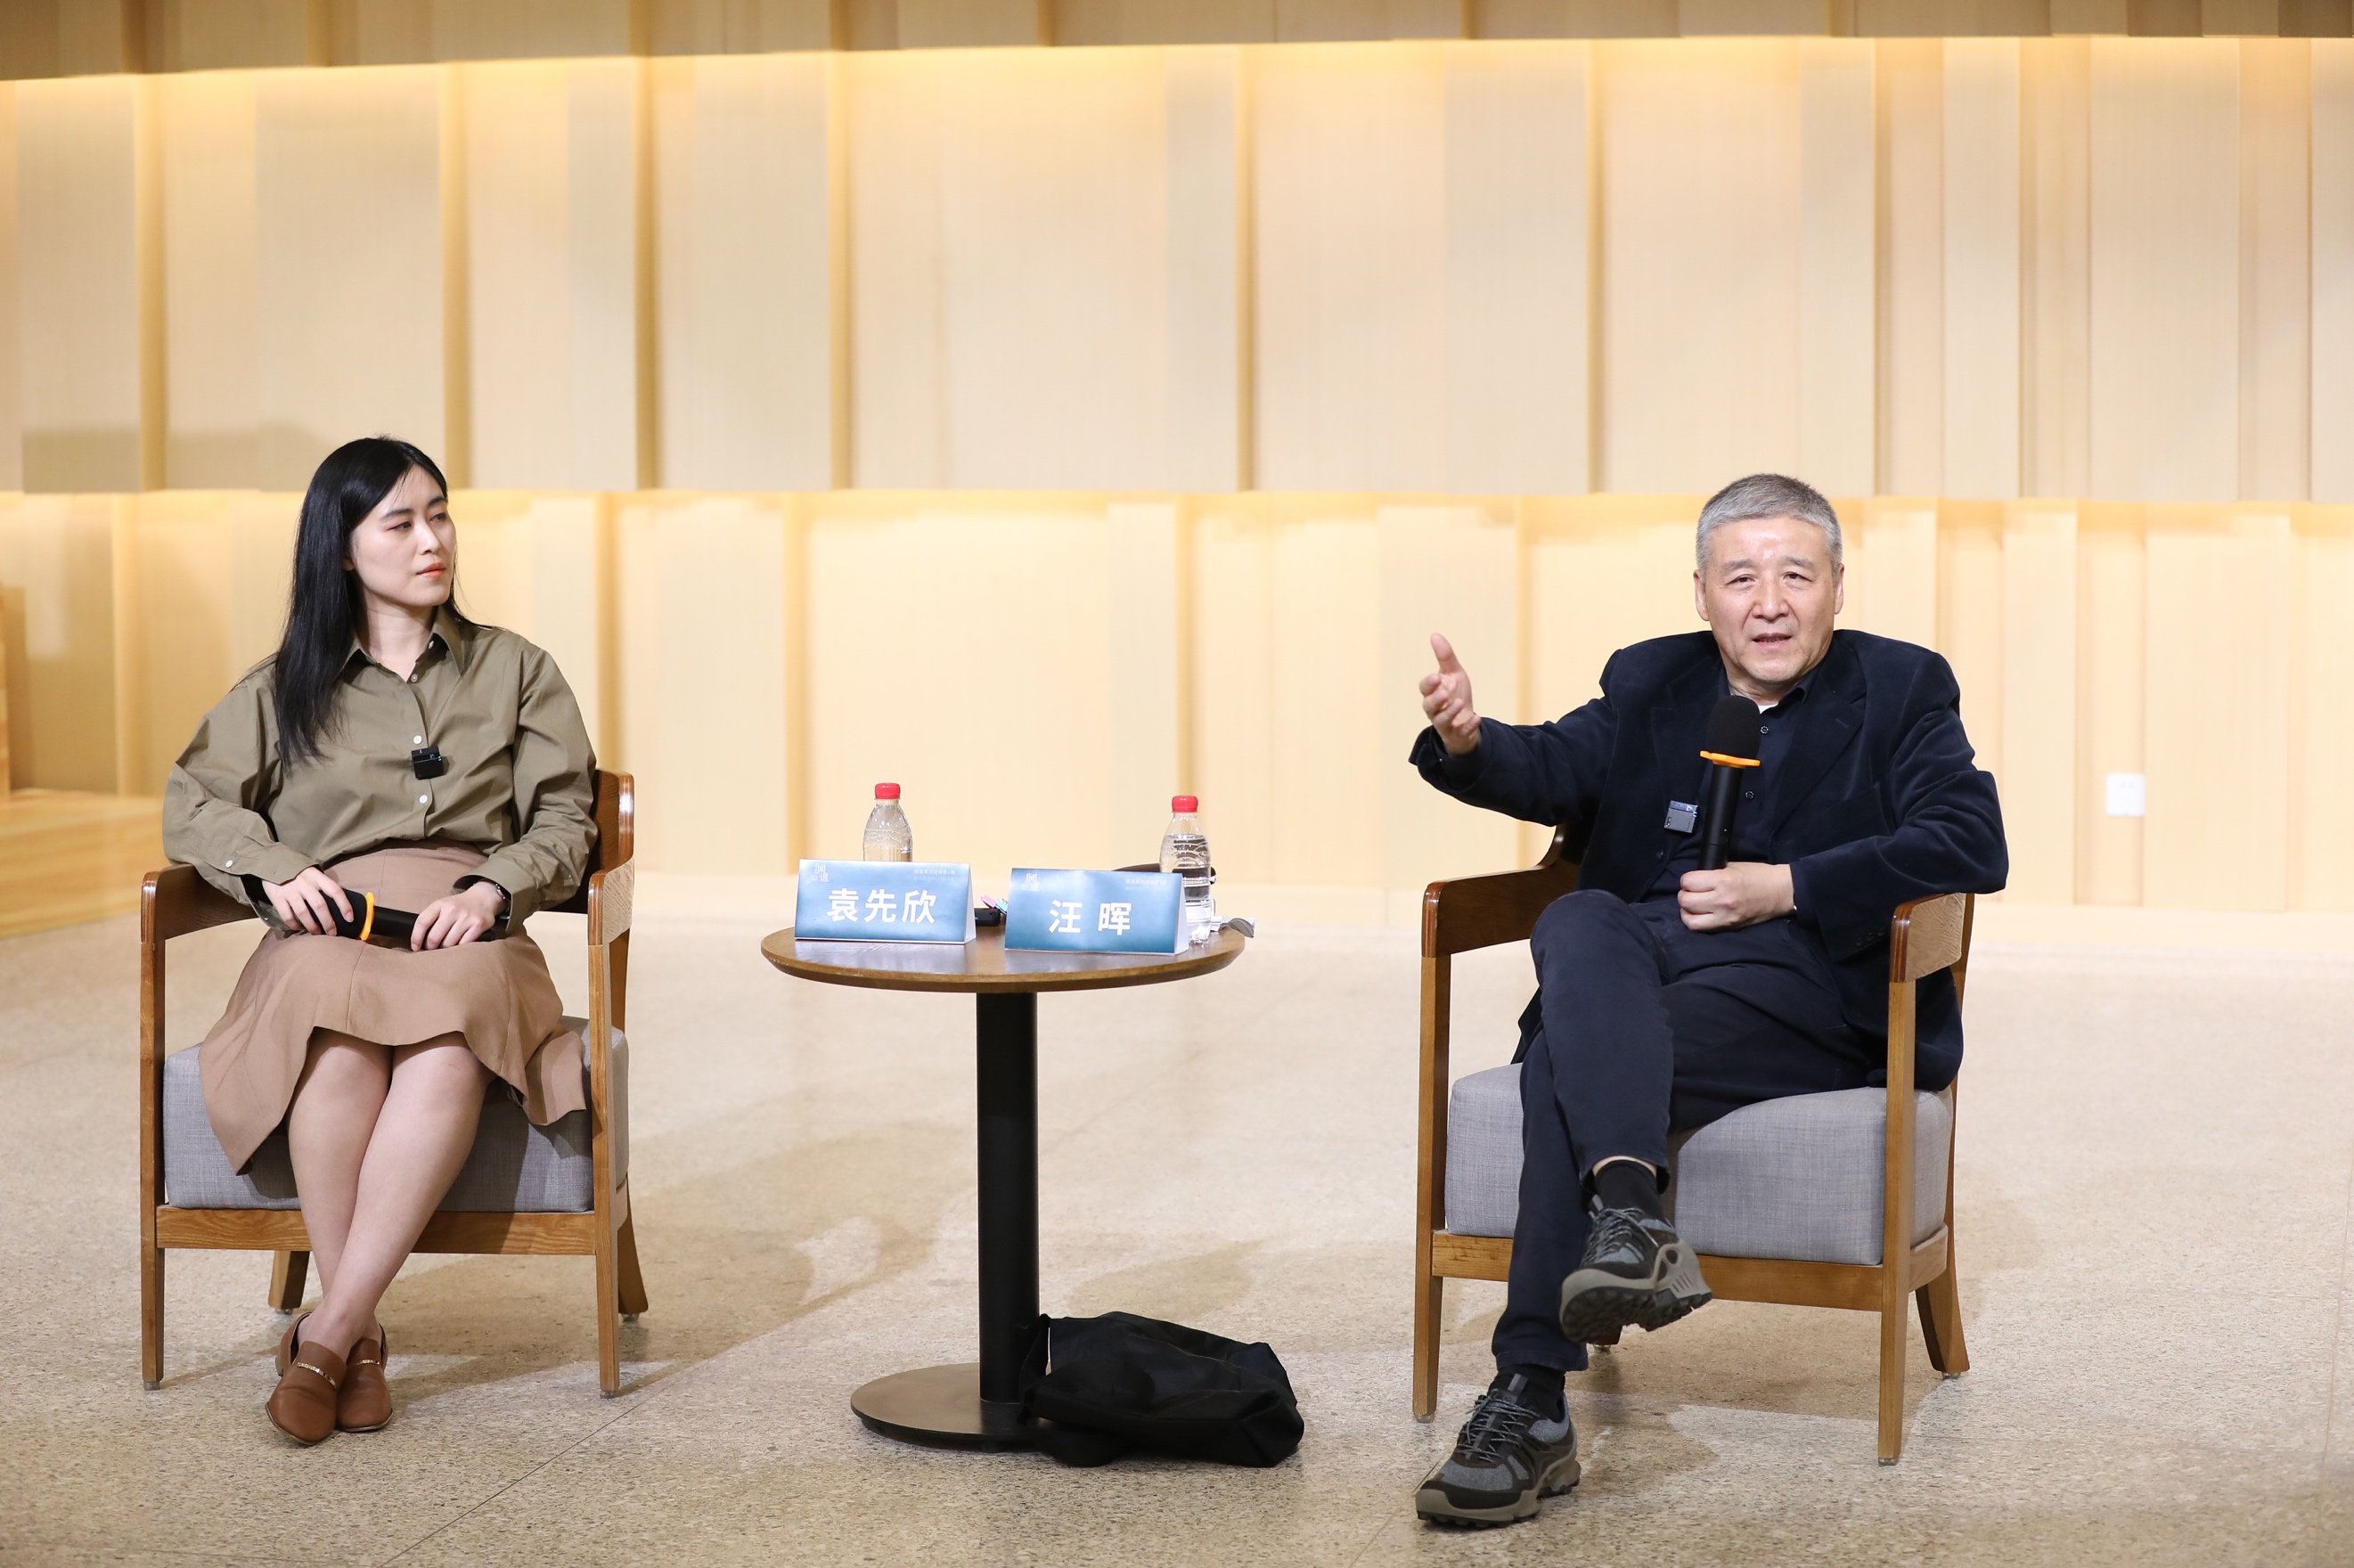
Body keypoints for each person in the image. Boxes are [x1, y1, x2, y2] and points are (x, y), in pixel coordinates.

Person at [1406, 474, 2007, 1526]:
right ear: (1700, 592)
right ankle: (1631, 1216)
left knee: (1562, 1065)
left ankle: (1528, 1394)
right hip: (1640, 963)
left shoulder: (1901, 686)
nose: (1767, 602)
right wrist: (1468, 739)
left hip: (1801, 985)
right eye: (1739, 578)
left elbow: (1967, 840)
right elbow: (1549, 763)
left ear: (1834, 586)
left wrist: (1788, 885)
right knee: (1575, 918)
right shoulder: (1651, 679)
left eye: (1794, 575)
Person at [164, 437, 598, 1445]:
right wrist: (274, 867)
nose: (431, 538)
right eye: (399, 521)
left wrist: (495, 887)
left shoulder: (517, 669)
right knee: (337, 1050)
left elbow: (566, 818)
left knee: (446, 1043)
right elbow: (193, 801)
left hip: (467, 919)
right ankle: (356, 1339)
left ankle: (326, 1335)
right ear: (343, 548)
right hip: (332, 923)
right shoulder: (284, 685)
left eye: (438, 514)